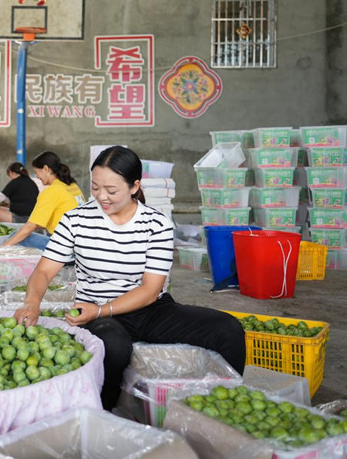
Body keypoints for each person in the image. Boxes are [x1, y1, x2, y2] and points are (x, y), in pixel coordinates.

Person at [13, 146, 245, 410]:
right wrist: (32, 302)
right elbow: (44, 270)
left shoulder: (156, 225)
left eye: (111, 191)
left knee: (228, 330)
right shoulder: (75, 220)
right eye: (96, 187)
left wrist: (103, 309)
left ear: (135, 186)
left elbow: (149, 290)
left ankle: (224, 409)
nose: (102, 197)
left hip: (148, 309)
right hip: (96, 312)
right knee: (113, 345)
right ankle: (103, 413)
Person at [3, 151, 85, 248]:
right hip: (81, 242)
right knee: (21, 233)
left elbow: (30, 226)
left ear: (46, 169)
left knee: (16, 237)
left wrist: (4, 247)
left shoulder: (52, 191)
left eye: (37, 172)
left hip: (65, 246)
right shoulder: (72, 185)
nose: (37, 177)